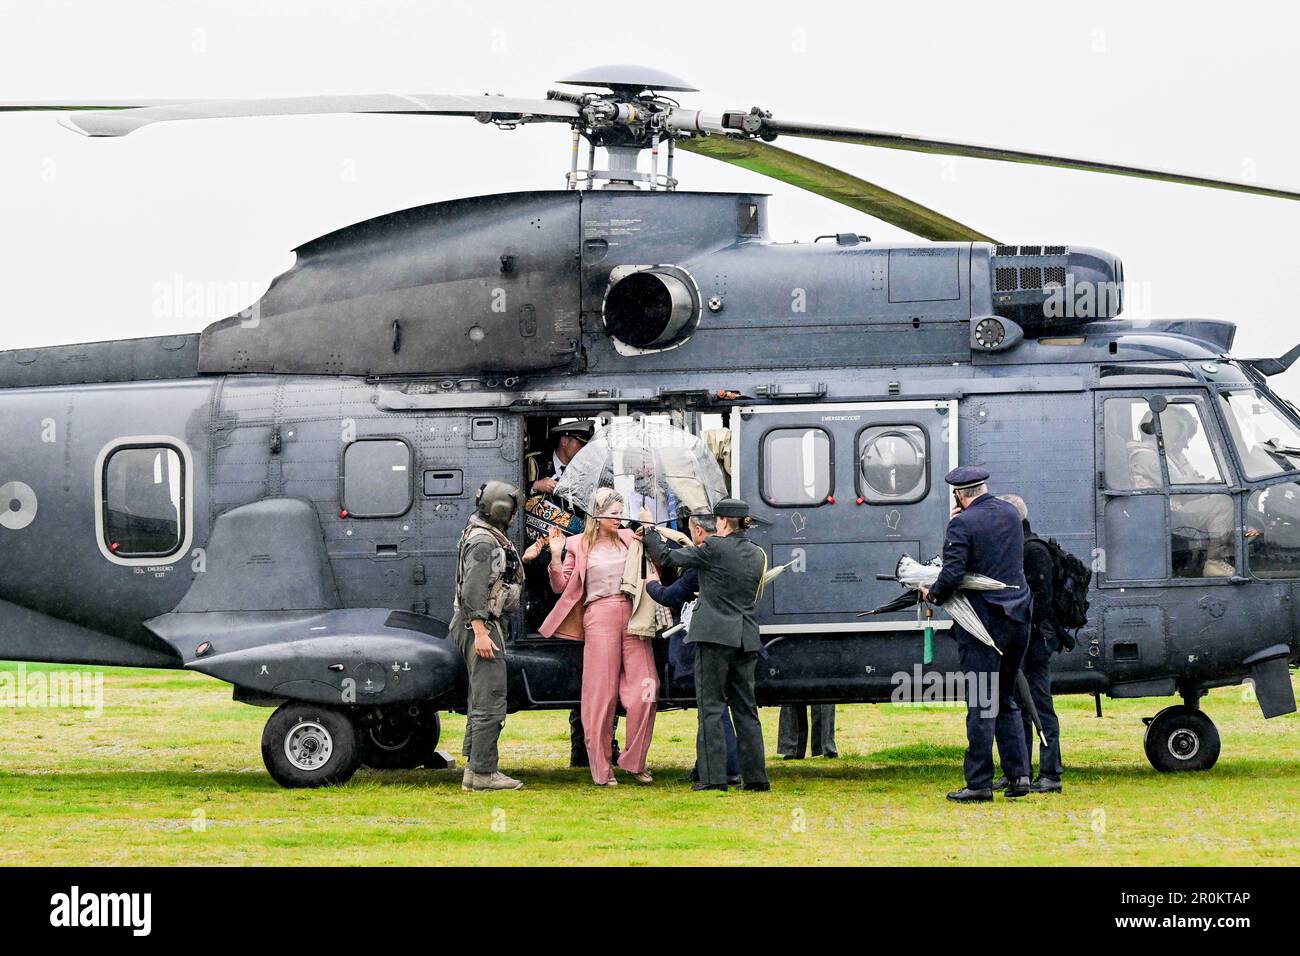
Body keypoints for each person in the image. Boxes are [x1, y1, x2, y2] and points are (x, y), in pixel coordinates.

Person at [921, 467, 1033, 802]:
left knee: (982, 703)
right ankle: (1019, 776)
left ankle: (979, 783)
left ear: (959, 494)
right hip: (1018, 619)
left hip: (983, 625)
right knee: (1005, 698)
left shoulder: (961, 524)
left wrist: (933, 595)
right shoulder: (1011, 513)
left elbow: (953, 572)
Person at [643, 497, 770, 792]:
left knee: (711, 706)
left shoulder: (713, 548)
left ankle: (713, 779)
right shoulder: (758, 554)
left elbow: (667, 558)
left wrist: (650, 528)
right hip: (746, 636)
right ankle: (756, 779)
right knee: (746, 710)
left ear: (723, 522)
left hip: (713, 637)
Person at [539, 487, 657, 786]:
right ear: (597, 513)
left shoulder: (631, 537)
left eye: (621, 512)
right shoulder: (577, 544)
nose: (619, 518)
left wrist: (651, 527)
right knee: (600, 696)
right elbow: (560, 586)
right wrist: (554, 556)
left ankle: (635, 761)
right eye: (613, 513)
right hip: (598, 616)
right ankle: (601, 769)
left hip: (633, 615)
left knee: (647, 687)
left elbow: (657, 558)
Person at [522, 420, 616, 766]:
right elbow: (500, 494)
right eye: (578, 443)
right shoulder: (532, 462)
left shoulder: (594, 472)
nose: (582, 451)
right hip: (539, 568)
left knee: (586, 664)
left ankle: (587, 745)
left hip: (577, 570)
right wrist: (536, 485)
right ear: (564, 440)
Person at [450, 480, 528, 792]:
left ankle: (474, 770)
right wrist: (481, 631)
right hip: (479, 626)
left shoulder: (483, 534)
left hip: (477, 624)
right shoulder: (484, 542)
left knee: (481, 697)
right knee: (490, 699)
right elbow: (473, 590)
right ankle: (484, 773)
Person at [996, 494, 1063, 794]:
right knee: (1019, 706)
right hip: (1023, 639)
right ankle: (1019, 771)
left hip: (1033, 641)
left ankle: (1050, 773)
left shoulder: (1032, 550)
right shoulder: (1019, 548)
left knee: (1039, 706)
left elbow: (1040, 602)